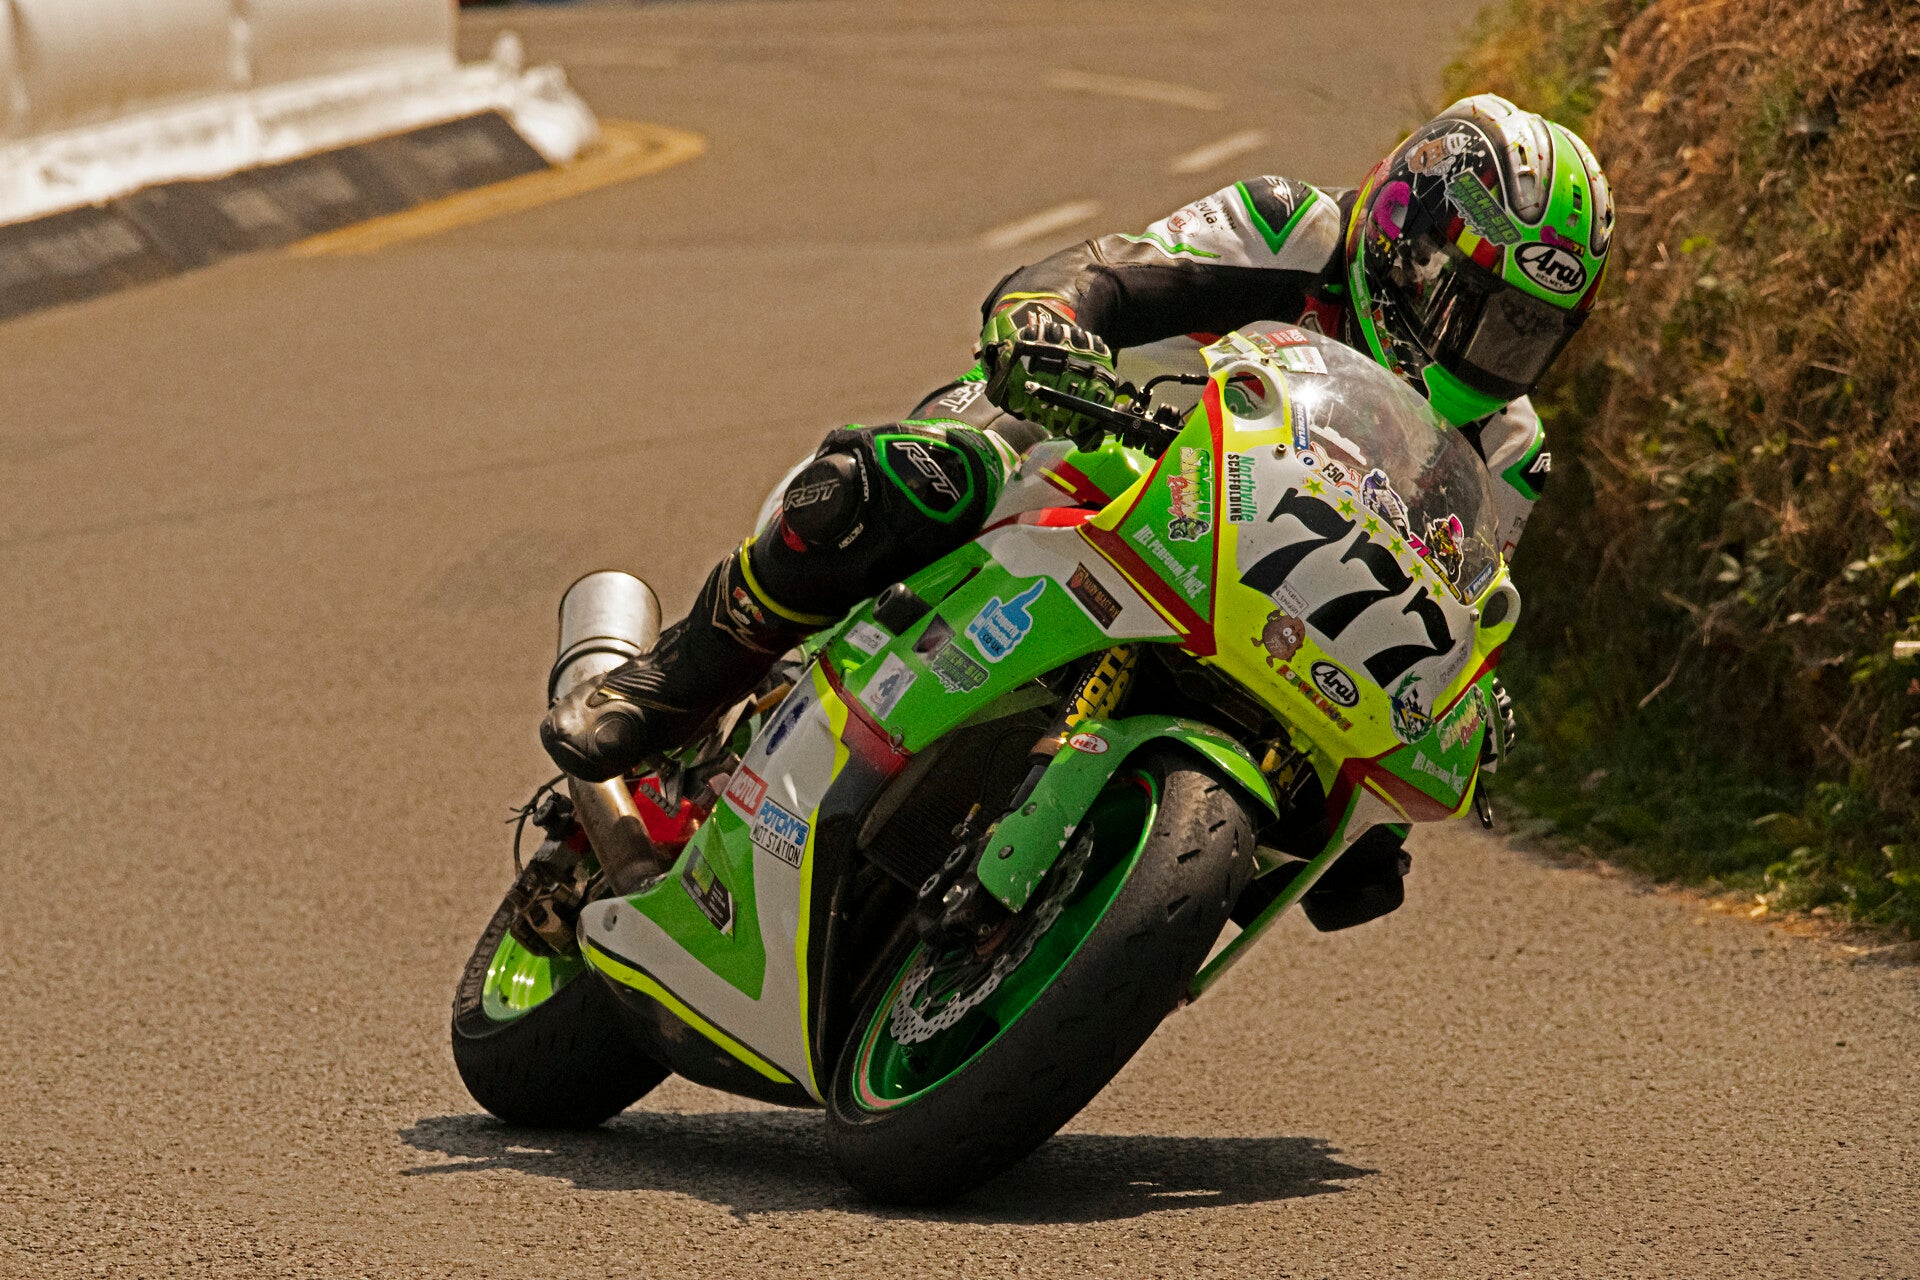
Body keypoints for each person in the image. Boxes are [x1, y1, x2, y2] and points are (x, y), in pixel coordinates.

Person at [541, 93, 1614, 789]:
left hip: (1264, 607)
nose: (1491, 348)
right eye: (1478, 306)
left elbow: (1454, 614)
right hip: (1100, 443)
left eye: (1528, 331)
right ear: (1405, 238)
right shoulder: (1298, 228)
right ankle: (668, 684)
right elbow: (1105, 272)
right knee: (911, 477)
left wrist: (1459, 705)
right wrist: (1047, 319)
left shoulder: (1509, 451)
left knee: (1346, 822)